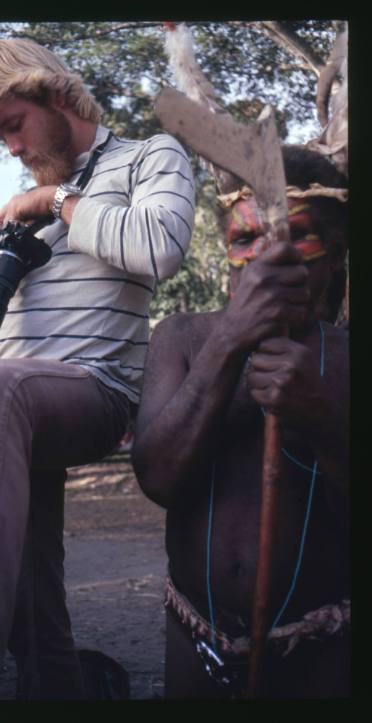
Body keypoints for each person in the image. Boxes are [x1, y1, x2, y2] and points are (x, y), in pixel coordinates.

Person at [0, 38, 194, 699]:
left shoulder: (150, 156)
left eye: (14, 125)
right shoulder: (23, 194)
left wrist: (59, 203)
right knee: (29, 573)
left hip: (96, 386)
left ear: (58, 97)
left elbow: (159, 246)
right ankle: (56, 689)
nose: (10, 148)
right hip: (7, 394)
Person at [132, 146, 349, 699]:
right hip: (196, 641)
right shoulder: (181, 339)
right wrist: (229, 342)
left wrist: (325, 417)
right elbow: (158, 480)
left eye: (293, 235)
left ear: (335, 253)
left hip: (326, 651)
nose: (266, 259)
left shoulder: (350, 356)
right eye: (245, 239)